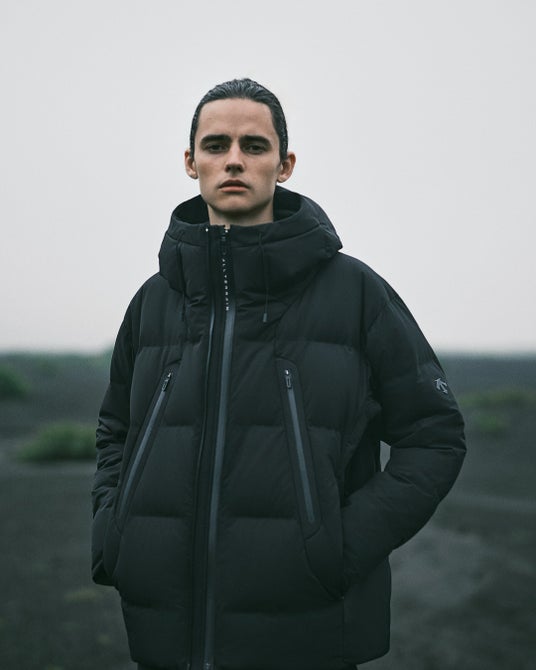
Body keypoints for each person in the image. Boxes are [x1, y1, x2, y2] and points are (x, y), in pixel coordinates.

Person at [91, 78, 466, 670]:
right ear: (190, 162)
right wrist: (114, 535)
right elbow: (115, 430)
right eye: (216, 145)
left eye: (254, 145)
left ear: (284, 165)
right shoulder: (154, 301)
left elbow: (434, 435)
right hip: (165, 634)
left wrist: (336, 548)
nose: (233, 159)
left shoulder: (355, 292)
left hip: (307, 634)